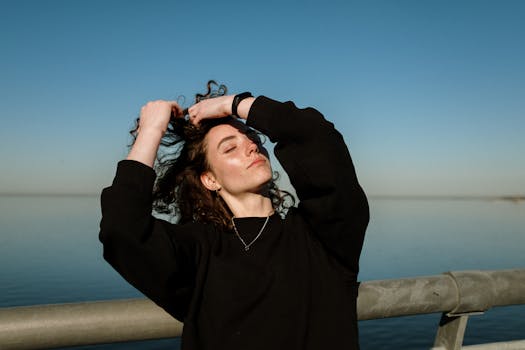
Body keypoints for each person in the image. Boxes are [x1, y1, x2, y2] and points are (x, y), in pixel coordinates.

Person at [99, 81, 369, 349]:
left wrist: (234, 104)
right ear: (210, 180)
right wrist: (150, 130)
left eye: (252, 138)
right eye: (230, 148)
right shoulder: (199, 251)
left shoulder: (323, 237)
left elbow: (316, 137)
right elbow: (122, 229)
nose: (252, 146)